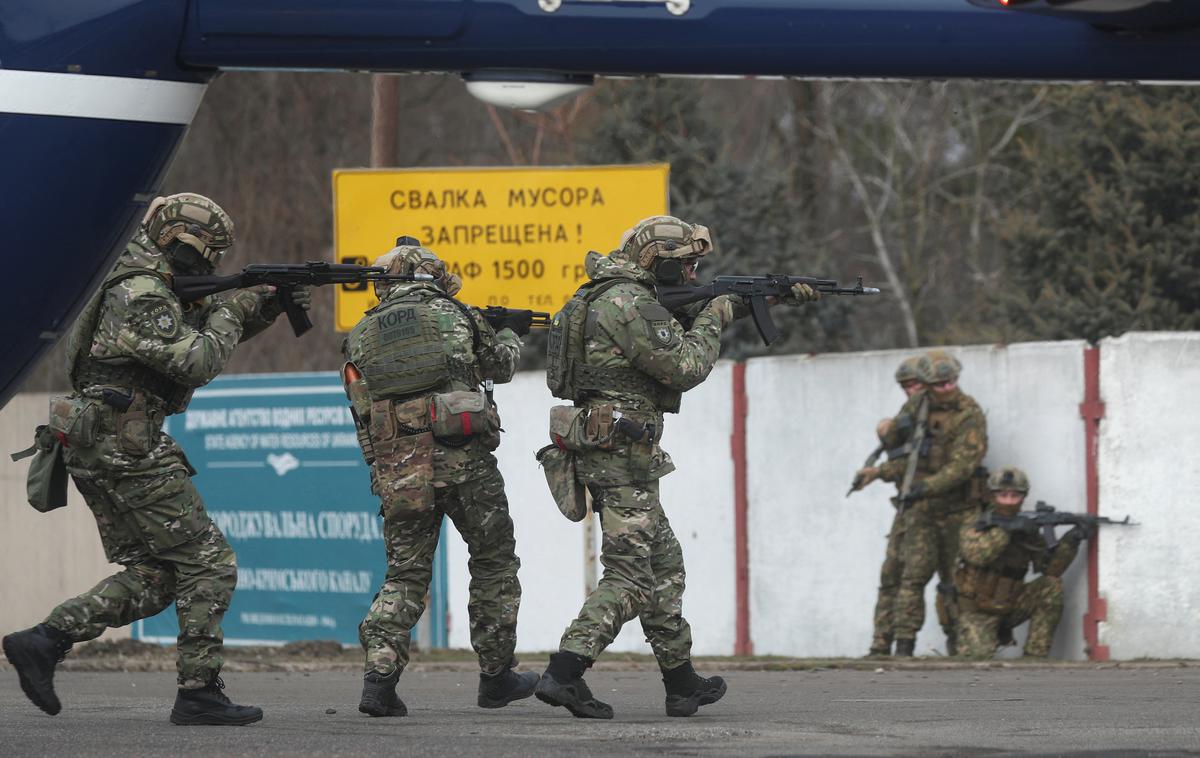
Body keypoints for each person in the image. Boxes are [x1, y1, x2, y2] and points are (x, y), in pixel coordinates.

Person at [2, 193, 306, 725]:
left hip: (109, 440)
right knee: (210, 563)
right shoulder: (141, 292)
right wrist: (235, 306)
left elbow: (201, 329)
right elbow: (198, 359)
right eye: (203, 252)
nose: (208, 265)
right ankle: (199, 692)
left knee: (161, 574)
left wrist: (264, 304)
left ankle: (44, 641)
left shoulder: (149, 284)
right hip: (123, 444)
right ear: (174, 240)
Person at [534, 215, 820, 719]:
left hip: (617, 449)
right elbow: (684, 367)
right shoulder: (628, 302)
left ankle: (681, 683)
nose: (691, 275)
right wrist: (716, 315)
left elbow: (649, 346)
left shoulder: (608, 296)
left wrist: (754, 301)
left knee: (664, 565)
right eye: (685, 265)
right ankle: (564, 673)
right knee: (631, 578)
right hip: (622, 454)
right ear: (656, 261)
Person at [343, 242, 537, 718]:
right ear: (431, 275)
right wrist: (510, 333)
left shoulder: (360, 335)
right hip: (463, 463)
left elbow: (361, 410)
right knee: (493, 560)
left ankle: (379, 680)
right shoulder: (457, 314)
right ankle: (496, 676)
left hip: (399, 469)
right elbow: (499, 366)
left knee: (404, 574)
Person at [855, 349, 987, 656]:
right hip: (922, 509)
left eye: (950, 382)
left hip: (957, 509)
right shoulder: (918, 405)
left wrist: (923, 487)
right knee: (909, 577)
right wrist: (883, 456)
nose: (945, 388)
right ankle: (902, 645)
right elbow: (904, 453)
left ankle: (959, 644)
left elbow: (962, 467)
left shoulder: (969, 414)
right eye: (938, 384)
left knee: (956, 581)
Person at [955, 466, 1086, 659]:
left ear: (1023, 497)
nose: (1008, 501)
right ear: (992, 496)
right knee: (977, 663)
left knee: (1050, 586)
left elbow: (1050, 569)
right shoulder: (975, 523)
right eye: (1003, 495)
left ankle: (1035, 658)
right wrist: (1006, 530)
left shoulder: (1027, 528)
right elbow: (977, 555)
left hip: (1010, 605)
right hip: (977, 610)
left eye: (1014, 496)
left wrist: (1072, 539)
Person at [865, 355, 924, 657]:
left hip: (933, 508)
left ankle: (904, 643)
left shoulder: (937, 413)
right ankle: (881, 643)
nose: (911, 390)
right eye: (906, 386)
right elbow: (899, 455)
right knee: (891, 576)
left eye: (915, 384)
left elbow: (917, 461)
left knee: (913, 578)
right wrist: (885, 431)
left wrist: (879, 472)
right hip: (908, 503)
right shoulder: (909, 413)